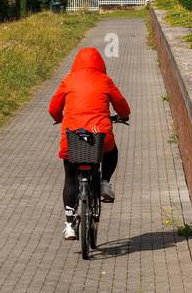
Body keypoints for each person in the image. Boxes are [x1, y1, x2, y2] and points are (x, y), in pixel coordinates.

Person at [48, 47, 130, 240]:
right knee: (111, 150)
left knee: (70, 178)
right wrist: (123, 116)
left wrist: (59, 117)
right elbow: (121, 103)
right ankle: (104, 182)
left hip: (72, 138)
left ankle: (69, 225)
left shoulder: (68, 80)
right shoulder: (104, 80)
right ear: (100, 63)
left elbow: (53, 108)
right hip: (99, 136)